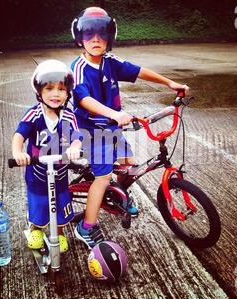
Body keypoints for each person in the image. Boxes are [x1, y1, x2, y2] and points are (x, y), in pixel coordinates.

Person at [70, 7, 189, 248]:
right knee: (103, 178)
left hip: (113, 128)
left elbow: (138, 71)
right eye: (89, 34)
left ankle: (118, 197)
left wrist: (170, 83)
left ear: (110, 37)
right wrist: (114, 114)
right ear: (79, 37)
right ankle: (86, 227)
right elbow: (84, 100)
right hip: (92, 131)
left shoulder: (110, 62)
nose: (95, 40)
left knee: (129, 164)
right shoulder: (79, 68)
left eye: (102, 34)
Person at [12, 59, 82, 253]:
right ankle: (35, 228)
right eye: (49, 89)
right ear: (39, 93)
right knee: (40, 203)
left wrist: (75, 147)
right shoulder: (34, 115)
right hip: (37, 173)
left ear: (67, 93)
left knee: (60, 204)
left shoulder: (68, 116)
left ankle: (59, 233)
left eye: (61, 89)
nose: (55, 94)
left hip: (59, 174)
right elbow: (20, 134)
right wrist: (18, 152)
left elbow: (77, 136)